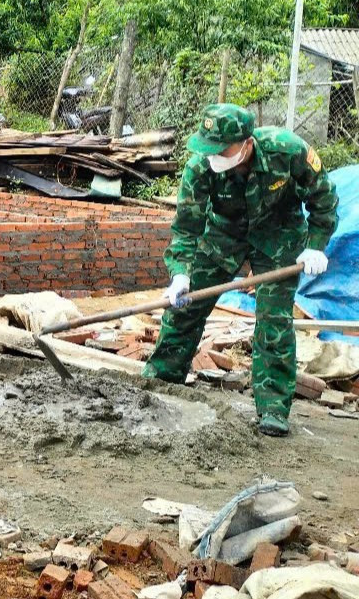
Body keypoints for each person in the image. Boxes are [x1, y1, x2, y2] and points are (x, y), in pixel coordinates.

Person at [144, 103, 338, 437]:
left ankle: (273, 408)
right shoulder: (200, 167)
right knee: (184, 309)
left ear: (246, 144)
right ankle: (161, 381)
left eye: (222, 150)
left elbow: (324, 198)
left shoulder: (287, 150)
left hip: (278, 236)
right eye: (210, 149)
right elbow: (187, 227)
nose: (213, 156)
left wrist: (316, 245)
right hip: (222, 237)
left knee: (274, 321)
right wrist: (181, 273)